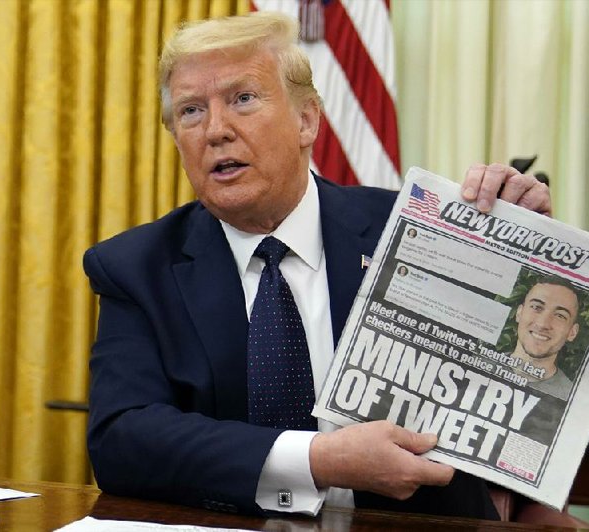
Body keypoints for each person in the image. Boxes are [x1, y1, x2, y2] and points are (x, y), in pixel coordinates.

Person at [82, 12, 553, 520]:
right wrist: (317, 460)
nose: (216, 130)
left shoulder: (414, 232)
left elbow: (545, 420)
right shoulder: (136, 266)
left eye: (243, 99)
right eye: (192, 112)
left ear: (307, 120)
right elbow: (121, 440)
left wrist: (534, 261)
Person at [510, 276, 580, 401]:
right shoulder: (478, 361)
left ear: (572, 332)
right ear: (519, 313)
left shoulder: (569, 399)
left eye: (560, 315)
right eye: (536, 307)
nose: (543, 324)